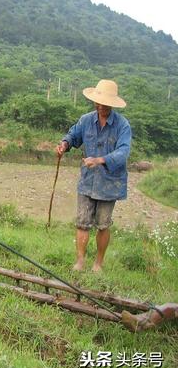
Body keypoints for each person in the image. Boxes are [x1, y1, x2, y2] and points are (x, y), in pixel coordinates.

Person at [55, 80, 131, 272]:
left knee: (103, 224)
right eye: (97, 103)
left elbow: (123, 152)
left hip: (109, 183)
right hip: (88, 181)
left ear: (112, 104)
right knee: (82, 222)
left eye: (105, 104)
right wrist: (65, 144)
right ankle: (80, 261)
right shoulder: (86, 120)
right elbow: (74, 135)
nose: (100, 106)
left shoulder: (122, 125)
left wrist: (99, 160)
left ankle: (98, 263)